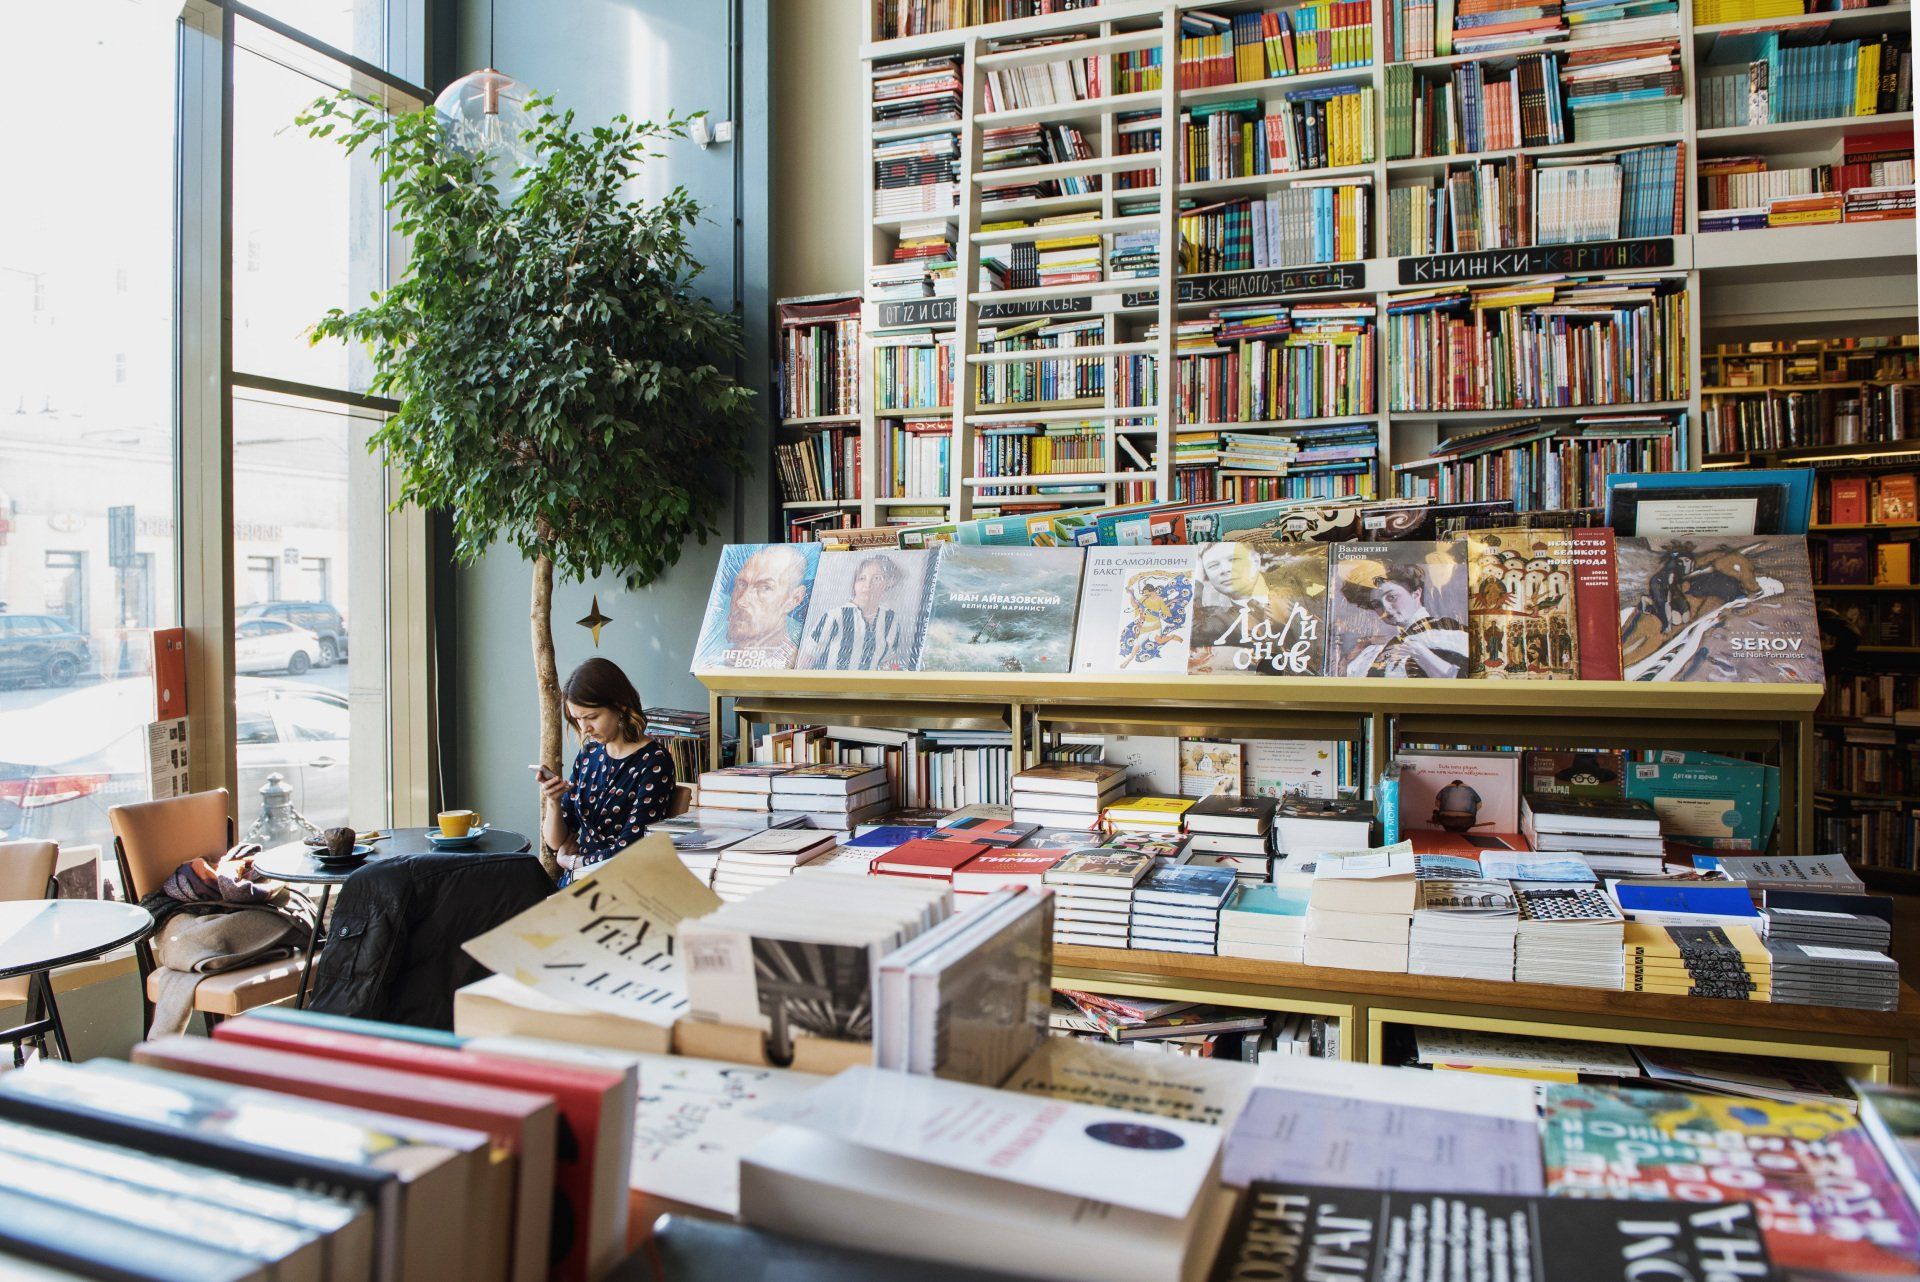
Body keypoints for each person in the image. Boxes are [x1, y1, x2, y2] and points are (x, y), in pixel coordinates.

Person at [538, 657, 675, 885]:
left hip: (621, 885)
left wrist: (574, 863)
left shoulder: (654, 761)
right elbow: (556, 842)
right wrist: (553, 801)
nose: (584, 728)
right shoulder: (588, 755)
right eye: (577, 719)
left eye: (592, 717)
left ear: (620, 707)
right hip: (578, 882)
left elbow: (632, 847)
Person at [1340, 561, 1468, 679]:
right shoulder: (1376, 649)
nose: (1386, 608)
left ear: (1416, 593)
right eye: (1377, 604)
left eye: (1392, 597)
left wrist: (1420, 653)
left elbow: (1459, 683)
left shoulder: (1446, 633)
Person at [802, 554, 906, 670]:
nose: (868, 585)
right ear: (854, 583)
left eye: (877, 578)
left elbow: (888, 662)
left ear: (888, 583)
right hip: (832, 686)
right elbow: (807, 659)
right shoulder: (834, 616)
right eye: (862, 578)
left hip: (871, 686)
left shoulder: (890, 619)